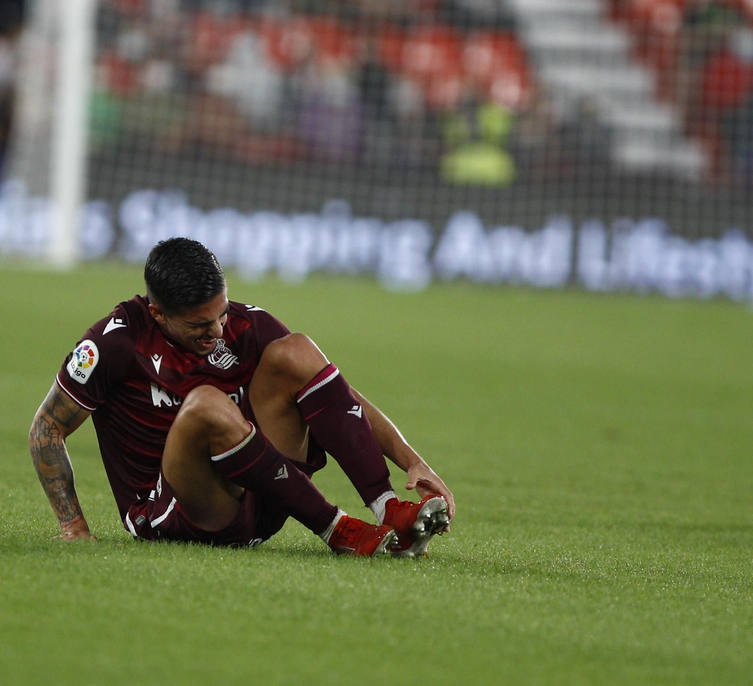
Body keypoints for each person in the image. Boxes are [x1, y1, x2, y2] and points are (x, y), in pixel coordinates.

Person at [29, 237, 455, 556]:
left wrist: (412, 460)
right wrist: (73, 526)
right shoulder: (116, 343)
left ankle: (387, 509)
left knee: (297, 352)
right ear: (159, 313)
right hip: (178, 512)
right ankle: (334, 527)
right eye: (200, 325)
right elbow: (47, 426)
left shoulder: (244, 327)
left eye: (223, 313)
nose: (217, 333)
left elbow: (337, 395)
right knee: (207, 404)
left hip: (264, 496)